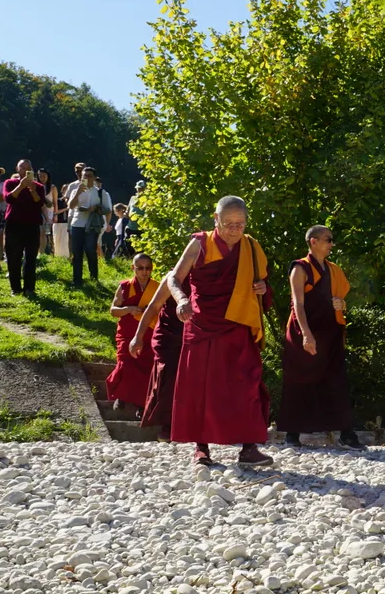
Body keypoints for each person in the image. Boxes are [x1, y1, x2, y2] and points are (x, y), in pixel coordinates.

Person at [166, 196, 274, 467]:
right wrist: (181, 299)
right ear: (216, 219)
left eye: (241, 223)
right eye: (229, 224)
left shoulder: (251, 247)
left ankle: (249, 448)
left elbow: (260, 281)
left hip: (238, 323)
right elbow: (174, 278)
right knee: (199, 387)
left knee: (247, 384)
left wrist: (261, 288)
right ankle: (201, 448)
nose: (235, 230)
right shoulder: (200, 244)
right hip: (203, 323)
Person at [278, 225, 363, 449]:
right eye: (328, 239)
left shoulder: (333, 269)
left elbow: (341, 298)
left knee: (336, 380)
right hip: (303, 330)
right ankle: (292, 434)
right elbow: (298, 303)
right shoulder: (300, 268)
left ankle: (346, 433)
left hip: (329, 332)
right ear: (313, 241)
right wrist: (306, 335)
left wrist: (341, 304)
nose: (331, 244)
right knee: (299, 380)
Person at [130, 270, 187, 442]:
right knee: (168, 378)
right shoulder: (173, 277)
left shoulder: (209, 276)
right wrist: (137, 337)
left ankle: (187, 427)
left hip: (193, 338)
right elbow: (154, 307)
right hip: (169, 337)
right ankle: (166, 426)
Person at [107, 254, 158, 416]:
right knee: (126, 363)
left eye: (148, 268)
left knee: (147, 367)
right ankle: (121, 396)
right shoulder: (125, 287)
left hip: (149, 333)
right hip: (128, 333)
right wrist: (129, 309)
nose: (144, 272)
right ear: (133, 268)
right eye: (140, 268)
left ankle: (142, 405)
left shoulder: (157, 288)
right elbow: (113, 310)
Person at [2, 159, 51, 296]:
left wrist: (33, 190)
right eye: (22, 168)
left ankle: (29, 288)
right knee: (14, 257)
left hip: (32, 224)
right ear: (17, 169)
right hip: (13, 224)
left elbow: (40, 203)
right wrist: (21, 186)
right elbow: (8, 199)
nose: (25, 171)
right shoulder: (10, 183)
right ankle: (15, 288)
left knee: (30, 258)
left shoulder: (39, 187)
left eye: (28, 169)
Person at [65, 166, 110, 287]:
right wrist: (78, 192)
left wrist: (96, 208)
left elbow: (107, 209)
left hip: (92, 225)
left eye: (89, 176)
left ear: (94, 178)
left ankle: (94, 278)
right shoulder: (76, 190)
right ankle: (77, 280)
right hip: (77, 224)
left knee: (91, 251)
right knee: (77, 252)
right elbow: (70, 205)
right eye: (84, 176)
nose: (86, 178)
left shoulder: (101, 192)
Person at [36, 168, 57, 255]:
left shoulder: (52, 188)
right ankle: (37, 252)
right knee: (38, 232)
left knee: (43, 232)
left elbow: (55, 203)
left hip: (48, 212)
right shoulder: (35, 186)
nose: (42, 178)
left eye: (44, 176)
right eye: (40, 176)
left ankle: (42, 252)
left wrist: (56, 215)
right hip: (37, 211)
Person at [95, 178, 115, 259]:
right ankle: (100, 261)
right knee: (97, 243)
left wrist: (107, 223)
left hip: (100, 222)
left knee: (96, 243)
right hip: (96, 223)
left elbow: (109, 211)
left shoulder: (104, 194)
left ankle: (100, 260)